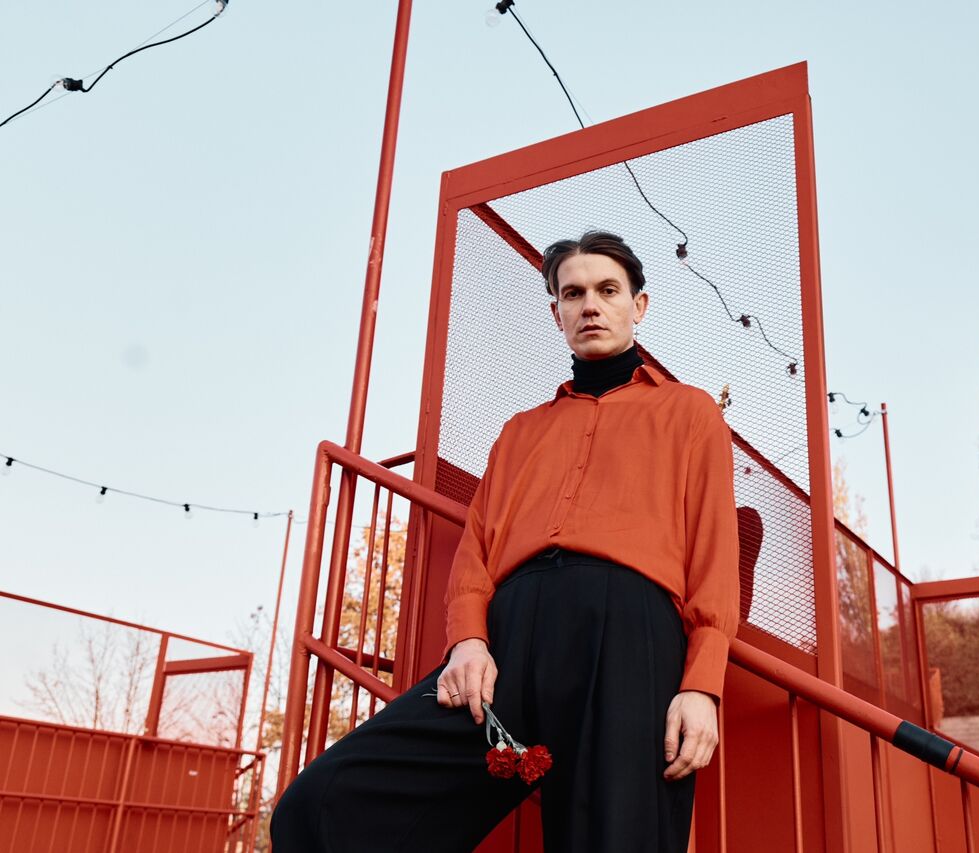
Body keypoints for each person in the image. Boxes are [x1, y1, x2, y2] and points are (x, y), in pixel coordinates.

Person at [271, 230, 740, 852]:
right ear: (556, 312)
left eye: (607, 290)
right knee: (322, 804)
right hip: (509, 643)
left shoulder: (690, 412)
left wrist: (701, 685)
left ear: (639, 306)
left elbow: (713, 558)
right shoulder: (520, 432)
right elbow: (477, 553)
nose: (590, 306)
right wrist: (468, 640)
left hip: (630, 641)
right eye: (573, 294)